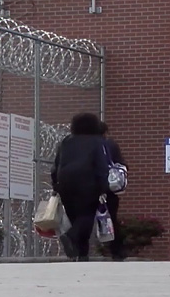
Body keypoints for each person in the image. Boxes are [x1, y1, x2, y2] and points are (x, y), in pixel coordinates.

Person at [52, 112, 109, 262]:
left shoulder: (66, 141)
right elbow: (101, 166)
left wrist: (55, 184)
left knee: (75, 216)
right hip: (87, 182)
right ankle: (71, 237)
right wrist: (104, 186)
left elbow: (57, 164)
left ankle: (81, 253)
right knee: (86, 216)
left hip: (65, 182)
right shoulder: (97, 142)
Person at [99, 121, 128, 261]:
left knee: (84, 218)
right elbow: (121, 164)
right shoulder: (110, 145)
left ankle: (82, 248)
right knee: (111, 218)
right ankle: (116, 251)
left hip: (89, 188)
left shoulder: (83, 145)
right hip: (109, 188)